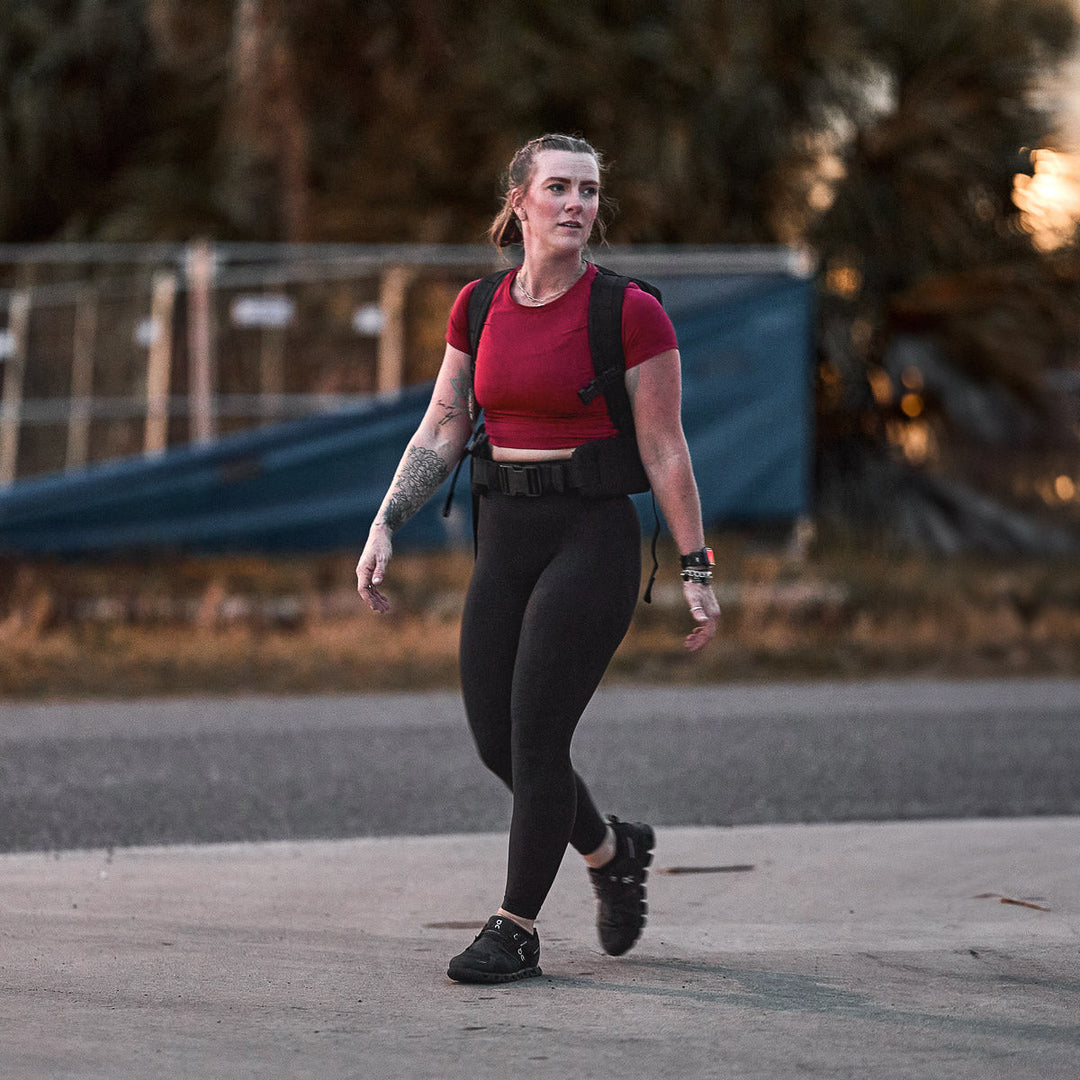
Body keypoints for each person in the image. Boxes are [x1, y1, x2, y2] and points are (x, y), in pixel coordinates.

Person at [356, 133, 720, 984]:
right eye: (558, 188)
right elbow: (445, 422)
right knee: (496, 741)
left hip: (590, 537)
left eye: (589, 192)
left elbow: (666, 449)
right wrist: (386, 521)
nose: (576, 206)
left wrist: (697, 568)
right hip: (505, 537)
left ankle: (516, 927)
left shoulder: (629, 311)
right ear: (518, 200)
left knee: (537, 734)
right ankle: (611, 850)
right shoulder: (478, 306)